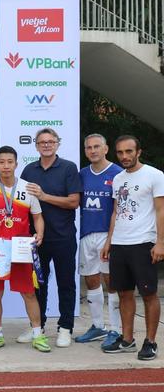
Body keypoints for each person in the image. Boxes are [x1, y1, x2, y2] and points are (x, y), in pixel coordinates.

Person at [0, 146, 48, 352]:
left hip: (21, 249)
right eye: (2, 162)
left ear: (16, 164)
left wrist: (40, 234)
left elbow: (37, 217)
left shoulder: (28, 188)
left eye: (10, 162)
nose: (6, 166)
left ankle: (38, 335)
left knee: (29, 293)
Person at [101, 135, 163, 360]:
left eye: (129, 151)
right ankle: (127, 340)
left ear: (139, 152)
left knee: (148, 294)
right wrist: (109, 241)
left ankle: (151, 342)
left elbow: (161, 211)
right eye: (120, 152)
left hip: (143, 243)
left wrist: (161, 242)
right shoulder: (118, 178)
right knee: (124, 293)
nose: (124, 156)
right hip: (120, 244)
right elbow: (116, 211)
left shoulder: (155, 175)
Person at [20, 128, 81, 348]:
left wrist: (44, 196)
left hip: (63, 237)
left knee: (66, 284)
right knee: (38, 285)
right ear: (36, 145)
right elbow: (19, 199)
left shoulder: (68, 168)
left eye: (50, 141)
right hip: (37, 239)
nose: (46, 145)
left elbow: (74, 202)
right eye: (42, 142)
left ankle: (65, 328)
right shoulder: (29, 170)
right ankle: (38, 326)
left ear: (57, 144)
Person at [75, 134, 122, 347]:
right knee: (91, 280)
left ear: (106, 149)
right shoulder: (82, 174)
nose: (93, 150)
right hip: (86, 234)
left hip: (108, 235)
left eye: (97, 147)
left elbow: (118, 210)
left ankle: (116, 329)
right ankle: (97, 326)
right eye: (89, 147)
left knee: (112, 282)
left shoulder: (117, 173)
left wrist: (110, 239)